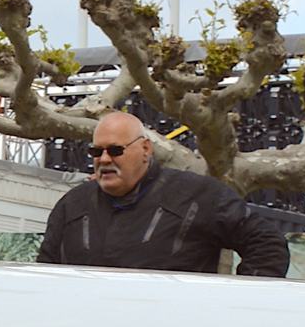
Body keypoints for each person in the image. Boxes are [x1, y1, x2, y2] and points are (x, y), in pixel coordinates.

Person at [37, 110, 290, 276]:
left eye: (115, 150)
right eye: (96, 152)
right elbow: (44, 275)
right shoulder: (72, 205)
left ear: (146, 148)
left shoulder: (197, 195)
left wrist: (234, 304)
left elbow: (268, 246)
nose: (104, 159)